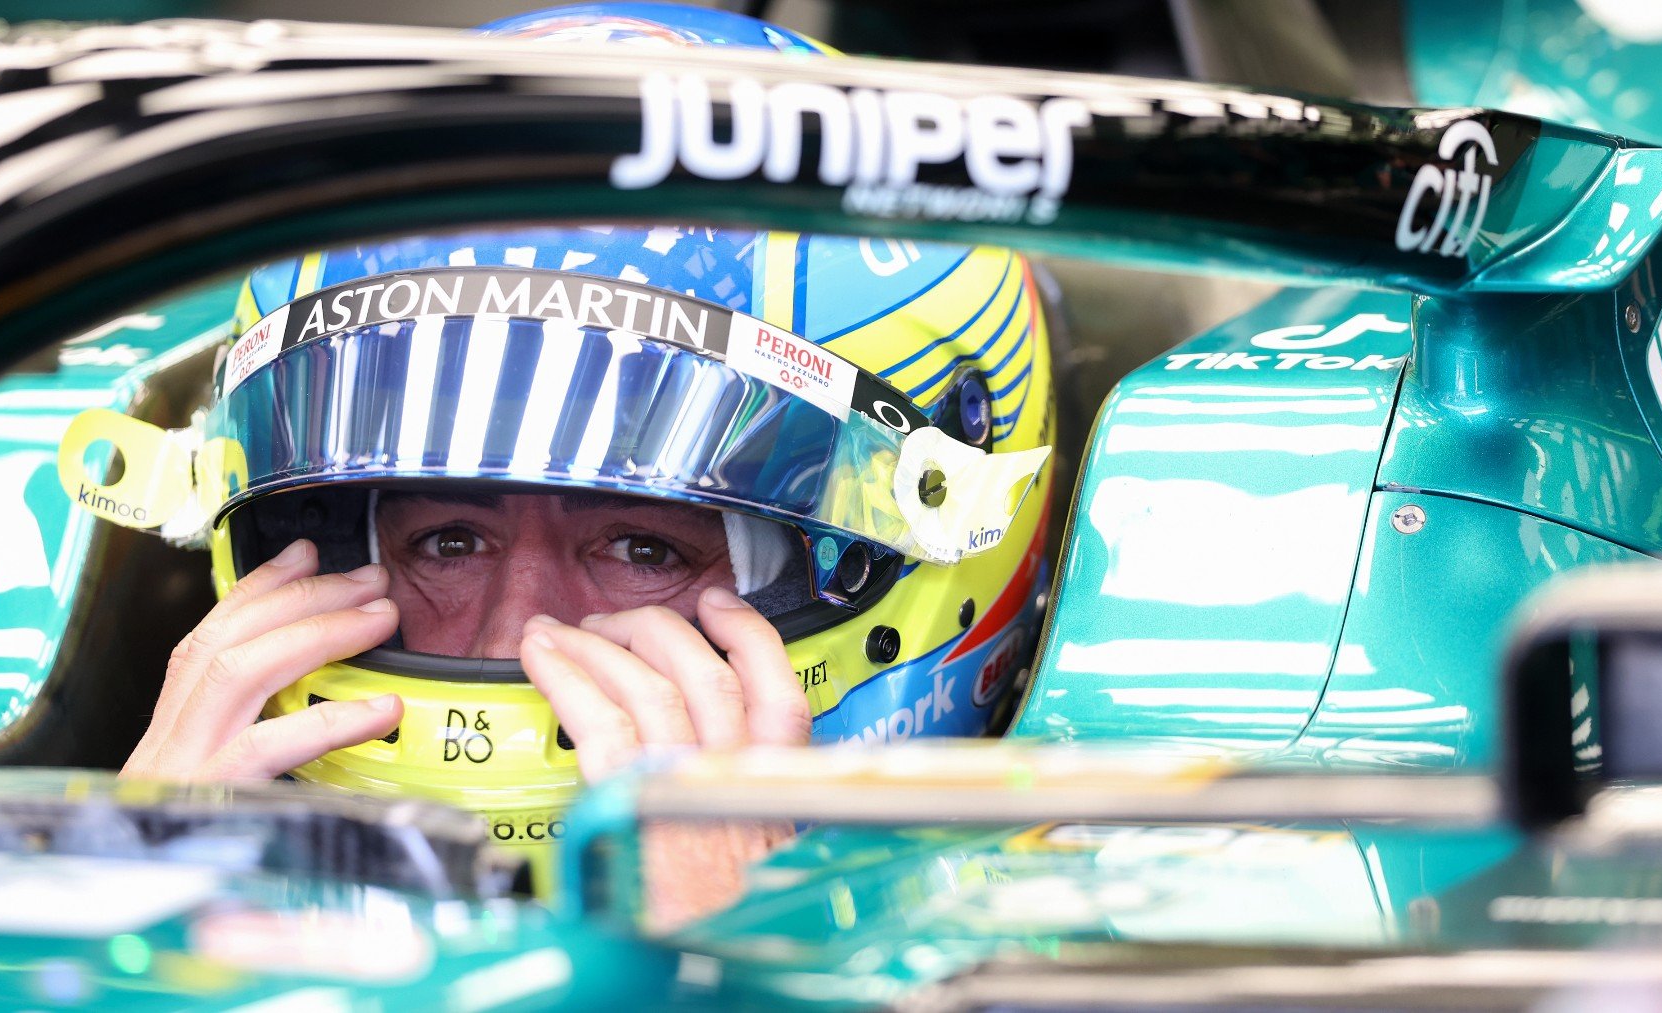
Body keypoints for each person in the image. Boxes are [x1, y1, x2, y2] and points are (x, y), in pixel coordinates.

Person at [65, 5, 1060, 916]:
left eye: (645, 547)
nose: (520, 639)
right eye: (448, 538)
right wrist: (120, 923)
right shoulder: (139, 889)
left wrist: (729, 950)